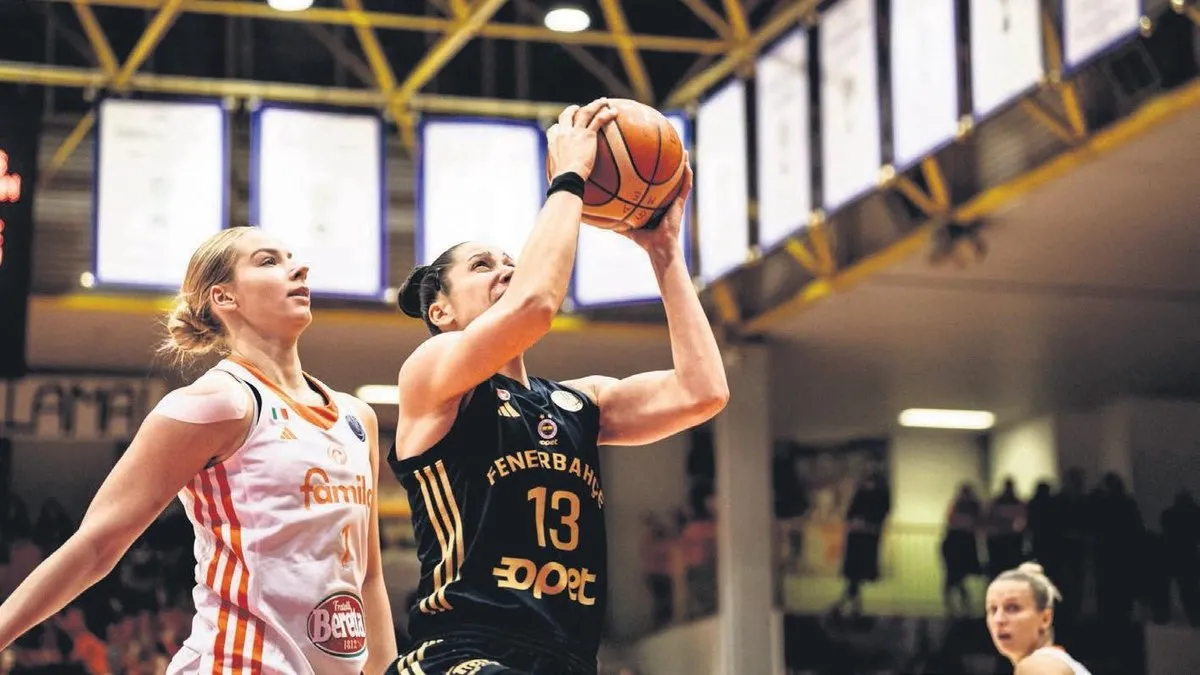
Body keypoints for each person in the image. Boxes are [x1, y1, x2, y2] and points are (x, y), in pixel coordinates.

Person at [386, 98, 729, 675]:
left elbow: (703, 392)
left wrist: (666, 253)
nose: (506, 269)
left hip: (567, 659)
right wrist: (569, 176)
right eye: (481, 266)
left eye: (510, 261)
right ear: (440, 311)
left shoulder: (578, 402)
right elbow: (537, 306)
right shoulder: (432, 373)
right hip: (462, 652)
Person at [0, 226, 397, 674]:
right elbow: (96, 544)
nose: (299, 268)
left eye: (292, 258)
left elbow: (368, 576)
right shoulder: (216, 403)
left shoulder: (356, 418)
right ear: (224, 297)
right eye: (269, 261)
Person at [985, 562, 1092, 675]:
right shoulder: (1059, 661)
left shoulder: (1039, 665)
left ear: (1045, 619)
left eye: (1013, 608)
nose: (998, 619)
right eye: (993, 609)